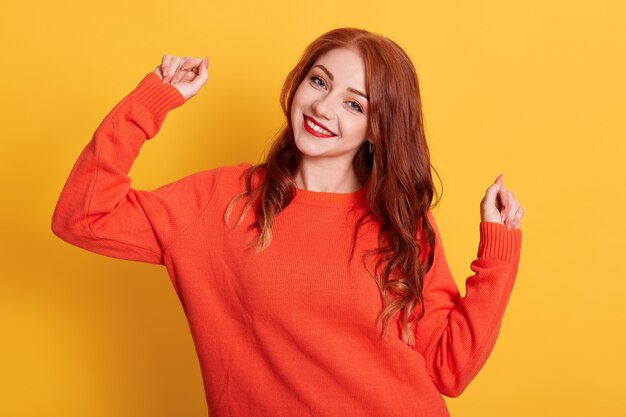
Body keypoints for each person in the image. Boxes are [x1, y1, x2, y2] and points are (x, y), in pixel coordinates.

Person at [51, 27, 523, 417]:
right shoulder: (222, 201)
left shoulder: (401, 223)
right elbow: (84, 216)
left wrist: (497, 255)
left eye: (354, 104)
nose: (323, 107)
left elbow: (449, 368)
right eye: (319, 82)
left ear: (378, 128)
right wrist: (152, 101)